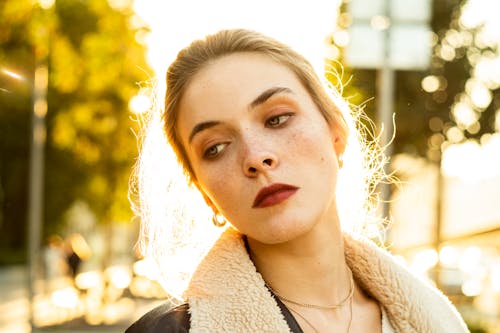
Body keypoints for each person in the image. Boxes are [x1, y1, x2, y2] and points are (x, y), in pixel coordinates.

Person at [126, 29, 469, 333]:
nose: (255, 157)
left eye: (277, 119)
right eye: (215, 147)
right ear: (203, 191)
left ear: (335, 131)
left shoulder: (439, 321)